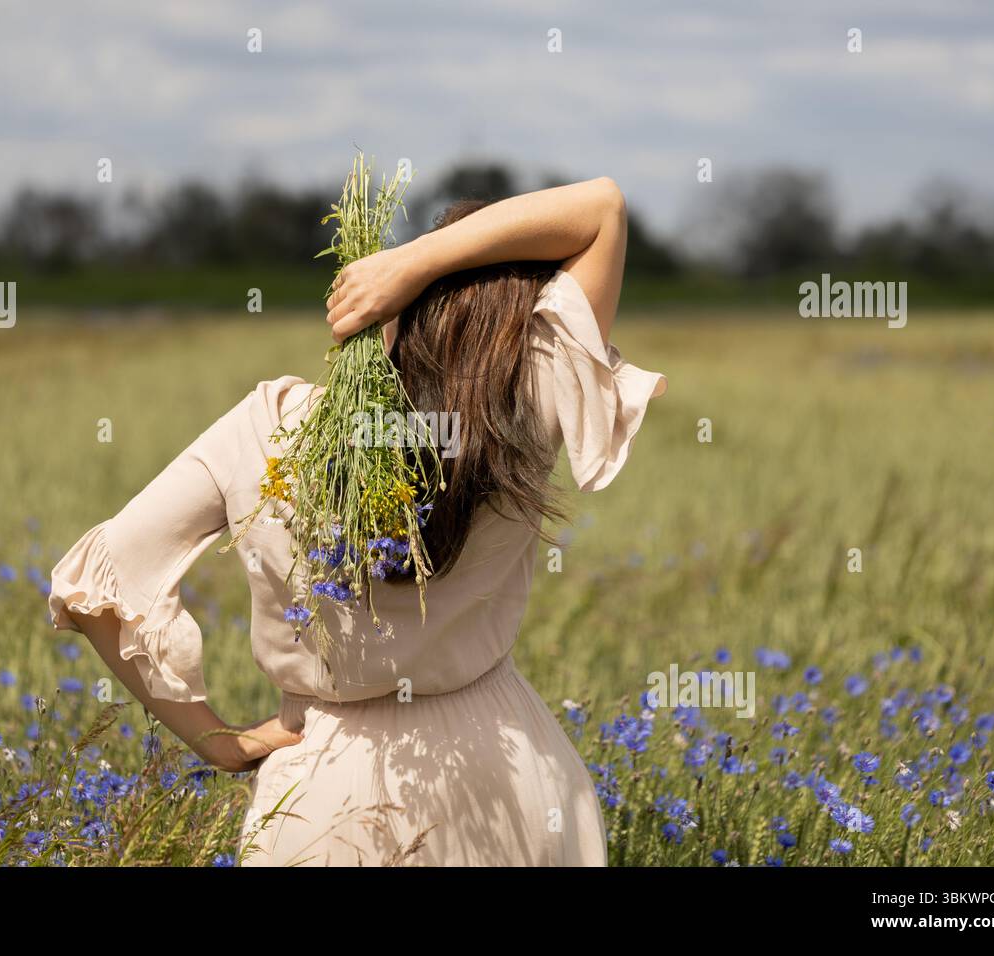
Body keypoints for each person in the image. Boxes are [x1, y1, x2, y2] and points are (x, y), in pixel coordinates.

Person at [48, 177, 666, 865]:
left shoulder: (266, 426)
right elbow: (601, 208)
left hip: (323, 796)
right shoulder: (527, 404)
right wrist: (419, 264)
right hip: (509, 773)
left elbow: (98, 582)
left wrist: (218, 742)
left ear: (401, 304)